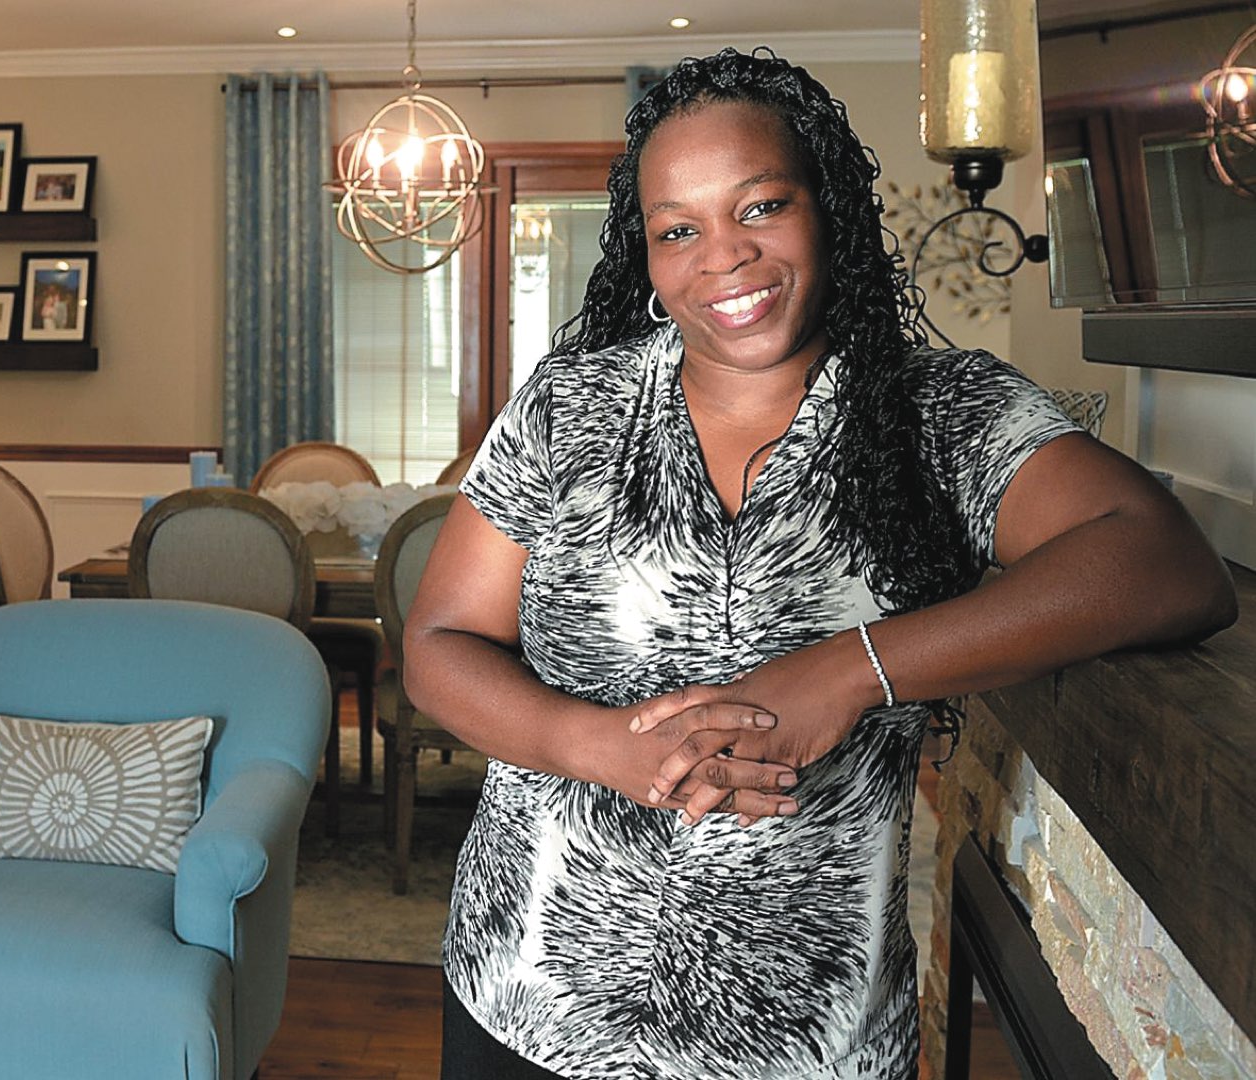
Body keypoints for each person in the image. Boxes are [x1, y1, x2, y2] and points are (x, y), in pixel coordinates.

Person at [404, 48, 1237, 1080]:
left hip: (804, 1040)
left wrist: (852, 668)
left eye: (760, 206)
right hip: (526, 998)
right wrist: (597, 745)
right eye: (679, 229)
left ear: (828, 208)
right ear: (649, 256)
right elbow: (440, 643)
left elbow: (1167, 563)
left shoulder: (941, 414)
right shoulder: (568, 408)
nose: (724, 257)